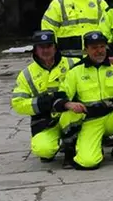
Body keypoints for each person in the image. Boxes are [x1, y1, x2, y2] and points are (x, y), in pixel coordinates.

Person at [53, 31, 113, 169]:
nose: (99, 51)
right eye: (94, 48)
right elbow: (60, 95)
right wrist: (68, 103)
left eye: (102, 47)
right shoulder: (76, 71)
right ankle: (73, 150)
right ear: (86, 50)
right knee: (88, 162)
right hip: (90, 120)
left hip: (111, 116)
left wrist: (105, 105)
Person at [11, 30, 75, 162]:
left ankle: (74, 143)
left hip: (72, 116)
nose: (46, 50)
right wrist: (42, 103)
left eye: (49, 46)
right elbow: (18, 103)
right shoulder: (26, 74)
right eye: (41, 47)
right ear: (35, 50)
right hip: (46, 121)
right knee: (43, 150)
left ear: (55, 47)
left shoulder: (73, 63)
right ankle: (58, 143)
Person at [40, 0, 108, 58]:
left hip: (93, 56)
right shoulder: (59, 3)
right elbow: (48, 29)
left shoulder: (99, 2)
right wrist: (52, 51)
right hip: (66, 57)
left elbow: (108, 27)